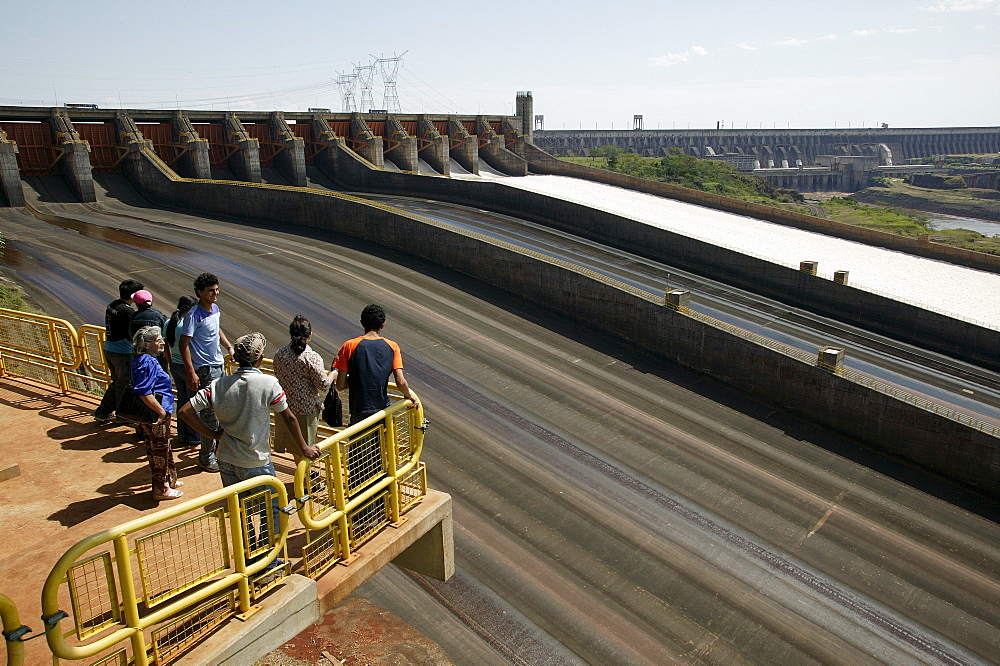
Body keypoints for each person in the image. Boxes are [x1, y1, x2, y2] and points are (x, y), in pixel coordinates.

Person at [179, 333, 319, 553]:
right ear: (260, 359)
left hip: (226, 459)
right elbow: (289, 418)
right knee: (271, 510)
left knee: (240, 511)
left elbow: (185, 411)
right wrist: (304, 448)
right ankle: (268, 562)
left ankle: (249, 558)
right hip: (256, 461)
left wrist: (214, 434)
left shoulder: (218, 384)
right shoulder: (267, 383)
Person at [179, 273, 234, 473]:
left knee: (218, 411)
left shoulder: (215, 309)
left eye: (217, 289)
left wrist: (229, 347)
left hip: (217, 365)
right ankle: (206, 457)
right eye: (211, 291)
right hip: (204, 369)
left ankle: (216, 452)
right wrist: (191, 372)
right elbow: (183, 344)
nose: (215, 293)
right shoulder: (193, 316)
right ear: (200, 293)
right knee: (210, 415)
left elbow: (217, 330)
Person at [334, 304, 420, 425]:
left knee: (359, 444)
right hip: (382, 411)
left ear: (362, 323)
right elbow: (400, 382)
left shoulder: (349, 346)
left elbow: (340, 385)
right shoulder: (393, 347)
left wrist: (357, 379)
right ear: (383, 325)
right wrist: (409, 395)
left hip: (358, 411)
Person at [273, 315, 336, 464]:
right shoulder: (311, 357)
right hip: (305, 411)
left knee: (295, 446)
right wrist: (333, 375)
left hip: (284, 408)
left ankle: (302, 478)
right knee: (307, 448)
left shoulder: (280, 354)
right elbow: (323, 385)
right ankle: (305, 484)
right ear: (310, 335)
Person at [130, 326, 182, 500]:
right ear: (146, 344)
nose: (162, 342)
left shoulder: (143, 359)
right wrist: (160, 413)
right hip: (156, 414)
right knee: (158, 451)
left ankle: (169, 480)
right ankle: (160, 489)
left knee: (163, 446)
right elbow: (143, 391)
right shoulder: (147, 362)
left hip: (158, 412)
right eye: (158, 340)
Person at [94, 279, 144, 423]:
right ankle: (122, 416)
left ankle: (102, 412)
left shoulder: (113, 305)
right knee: (124, 384)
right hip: (122, 352)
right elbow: (132, 333)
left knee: (117, 383)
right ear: (134, 295)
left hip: (109, 349)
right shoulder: (128, 311)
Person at [165, 295, 200, 449]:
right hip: (189, 367)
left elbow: (166, 345)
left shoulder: (169, 323)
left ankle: (183, 435)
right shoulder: (187, 324)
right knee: (193, 404)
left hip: (176, 366)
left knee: (182, 400)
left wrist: (171, 362)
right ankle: (194, 438)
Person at [129, 290, 168, 370]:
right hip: (158, 353)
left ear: (136, 303)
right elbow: (166, 331)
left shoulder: (133, 317)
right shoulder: (158, 315)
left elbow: (131, 334)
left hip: (140, 353)